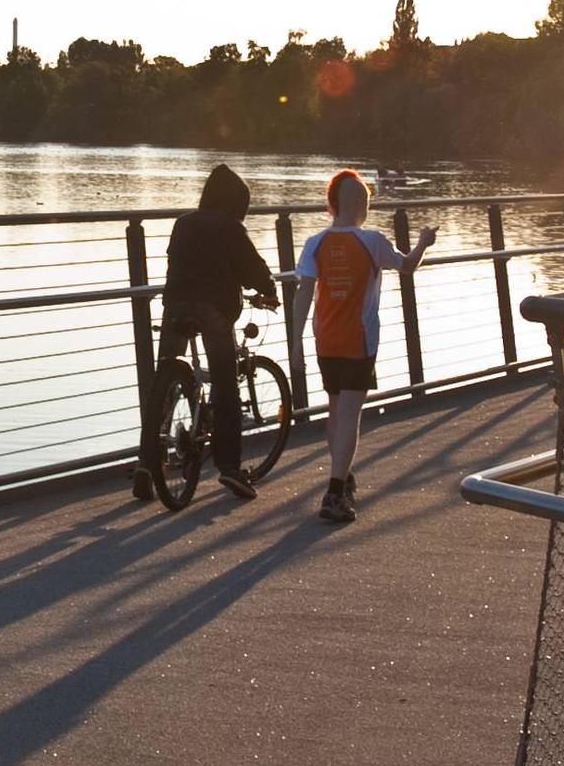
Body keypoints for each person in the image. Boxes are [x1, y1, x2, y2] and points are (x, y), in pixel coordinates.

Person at [295, 169, 433, 525]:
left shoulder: (315, 243)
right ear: (357, 203)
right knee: (351, 415)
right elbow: (407, 266)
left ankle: (344, 476)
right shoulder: (372, 241)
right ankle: (335, 491)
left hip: (325, 337)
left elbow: (304, 293)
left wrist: (295, 341)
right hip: (359, 339)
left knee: (336, 409)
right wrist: (423, 242)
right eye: (366, 201)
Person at [139, 164, 279, 503]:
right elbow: (252, 268)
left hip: (175, 305)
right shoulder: (231, 227)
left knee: (165, 383)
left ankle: (146, 465)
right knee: (225, 383)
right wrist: (268, 289)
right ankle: (230, 468)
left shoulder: (184, 223)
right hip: (213, 310)